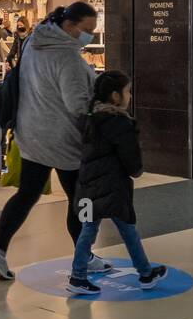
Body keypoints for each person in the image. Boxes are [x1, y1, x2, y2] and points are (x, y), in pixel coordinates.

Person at [0, 2, 100, 281]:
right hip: (64, 139)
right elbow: (77, 105)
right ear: (70, 26)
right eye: (87, 30)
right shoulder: (68, 58)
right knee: (79, 199)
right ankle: (84, 257)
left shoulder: (35, 39)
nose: (90, 37)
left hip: (31, 133)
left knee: (27, 193)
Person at [67, 71, 168, 295]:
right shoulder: (120, 123)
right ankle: (144, 273)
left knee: (89, 228)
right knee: (127, 229)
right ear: (115, 96)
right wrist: (137, 170)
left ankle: (78, 275)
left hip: (88, 183)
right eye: (127, 91)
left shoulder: (89, 119)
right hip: (113, 186)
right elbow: (131, 159)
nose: (130, 96)